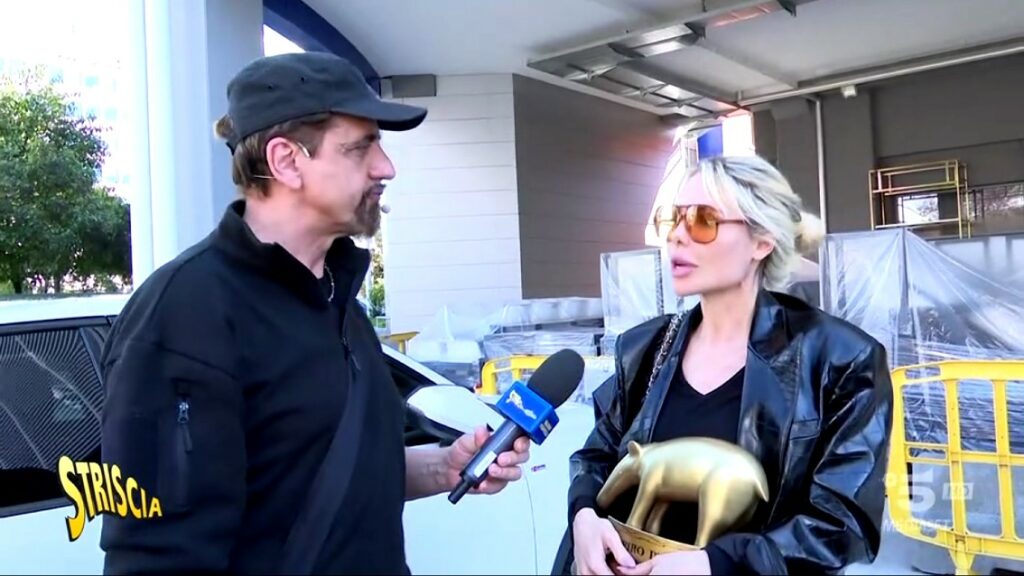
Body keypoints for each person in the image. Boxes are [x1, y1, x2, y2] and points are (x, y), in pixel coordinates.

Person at [98, 51, 529, 575]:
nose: (386, 167)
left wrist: (444, 466)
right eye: (360, 147)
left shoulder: (337, 299)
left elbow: (315, 474)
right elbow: (156, 557)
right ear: (286, 161)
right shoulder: (185, 317)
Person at [553, 155, 893, 575]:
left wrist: (715, 564)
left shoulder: (840, 359)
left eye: (703, 220)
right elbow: (598, 457)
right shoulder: (645, 348)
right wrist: (585, 515)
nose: (678, 236)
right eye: (672, 218)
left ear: (761, 242)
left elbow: (844, 524)